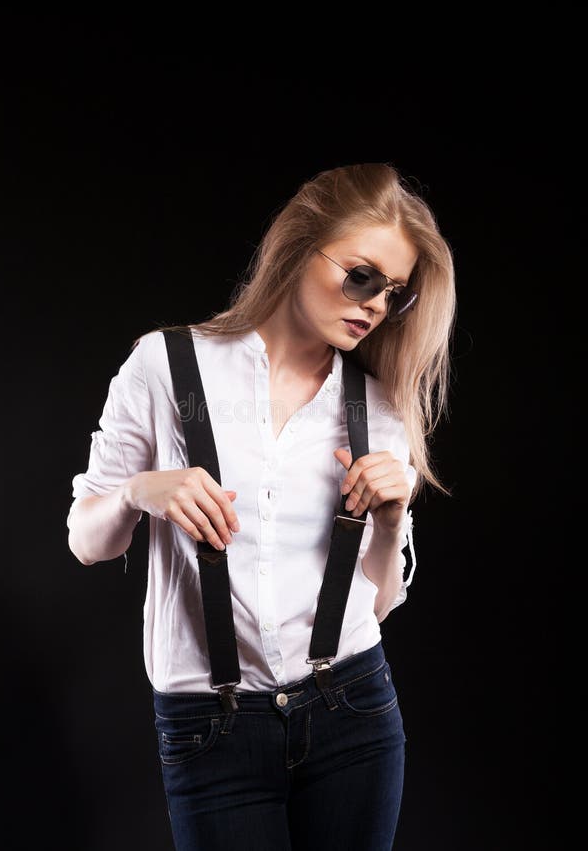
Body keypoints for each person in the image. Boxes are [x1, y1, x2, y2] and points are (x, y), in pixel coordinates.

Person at [66, 161, 456, 851]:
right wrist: (137, 491)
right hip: (209, 729)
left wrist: (391, 521)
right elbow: (88, 542)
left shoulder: (379, 407)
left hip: (354, 714)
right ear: (302, 244)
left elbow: (381, 604)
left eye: (393, 294)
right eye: (361, 274)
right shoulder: (168, 370)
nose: (372, 304)